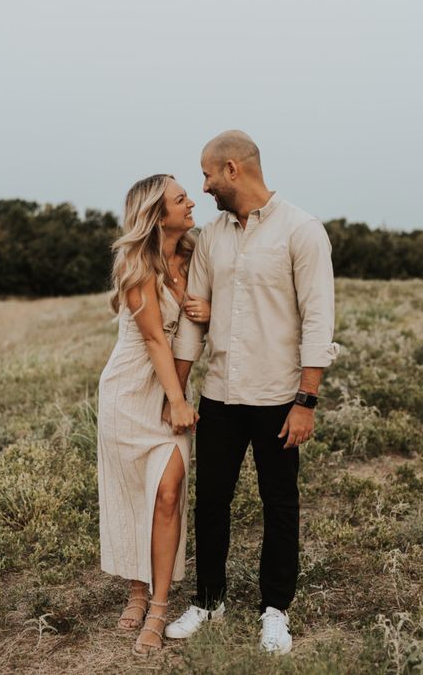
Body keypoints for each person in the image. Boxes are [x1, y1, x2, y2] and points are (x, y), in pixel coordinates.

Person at [163, 131, 339, 655]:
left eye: (207, 174)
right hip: (220, 395)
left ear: (233, 169)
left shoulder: (302, 230)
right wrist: (178, 389)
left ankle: (275, 610)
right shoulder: (213, 237)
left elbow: (318, 321)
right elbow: (195, 318)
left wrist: (305, 401)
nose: (204, 185)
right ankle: (209, 601)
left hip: (279, 400)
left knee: (279, 504)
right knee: (212, 501)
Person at [97, 174, 210, 657]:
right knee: (131, 493)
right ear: (156, 214)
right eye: (180, 199)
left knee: (167, 492)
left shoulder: (195, 254)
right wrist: (178, 399)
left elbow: (205, 319)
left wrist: (207, 308)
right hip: (130, 389)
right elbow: (153, 339)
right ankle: (137, 590)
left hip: (168, 386)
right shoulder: (135, 260)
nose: (191, 203)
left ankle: (159, 605)